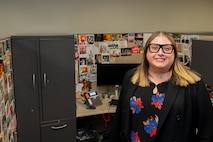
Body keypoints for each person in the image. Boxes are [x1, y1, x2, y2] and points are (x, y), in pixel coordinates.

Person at [110, 31, 213, 142]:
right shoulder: (132, 77)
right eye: (154, 47)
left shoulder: (193, 83)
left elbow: (208, 131)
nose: (160, 53)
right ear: (146, 52)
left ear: (174, 53)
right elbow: (119, 122)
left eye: (167, 48)